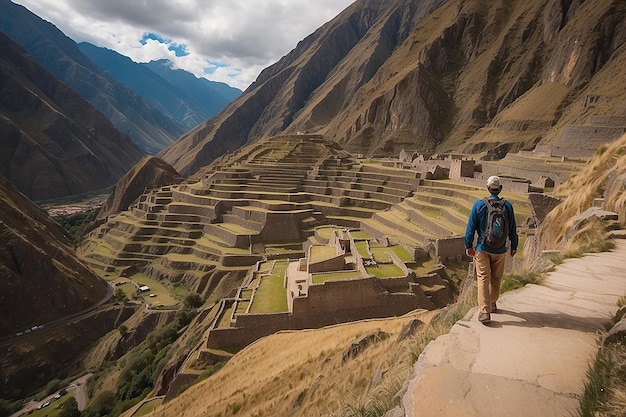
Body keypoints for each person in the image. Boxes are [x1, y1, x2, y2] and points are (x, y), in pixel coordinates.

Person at [465, 175, 518, 323]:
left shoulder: (479, 205)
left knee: (483, 278)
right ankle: (492, 302)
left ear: (488, 188)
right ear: (499, 189)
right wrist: (514, 245)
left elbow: (471, 227)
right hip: (500, 249)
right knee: (496, 278)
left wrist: (468, 246)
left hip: (482, 248)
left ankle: (484, 311)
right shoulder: (507, 206)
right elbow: (513, 228)